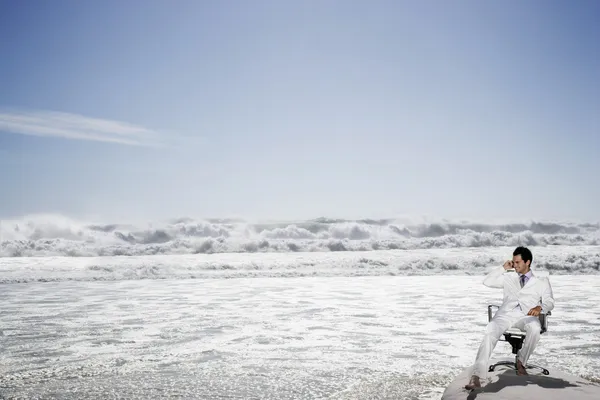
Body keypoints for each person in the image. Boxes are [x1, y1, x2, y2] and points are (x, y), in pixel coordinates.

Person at [465, 246, 555, 390]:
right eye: (513, 262)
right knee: (490, 331)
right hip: (505, 315)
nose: (515, 265)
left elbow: (550, 302)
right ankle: (477, 376)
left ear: (528, 262)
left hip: (526, 316)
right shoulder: (508, 276)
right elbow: (487, 281)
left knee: (535, 327)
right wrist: (502, 268)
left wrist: (540, 308)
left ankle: (521, 361)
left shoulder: (541, 281)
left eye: (518, 262)